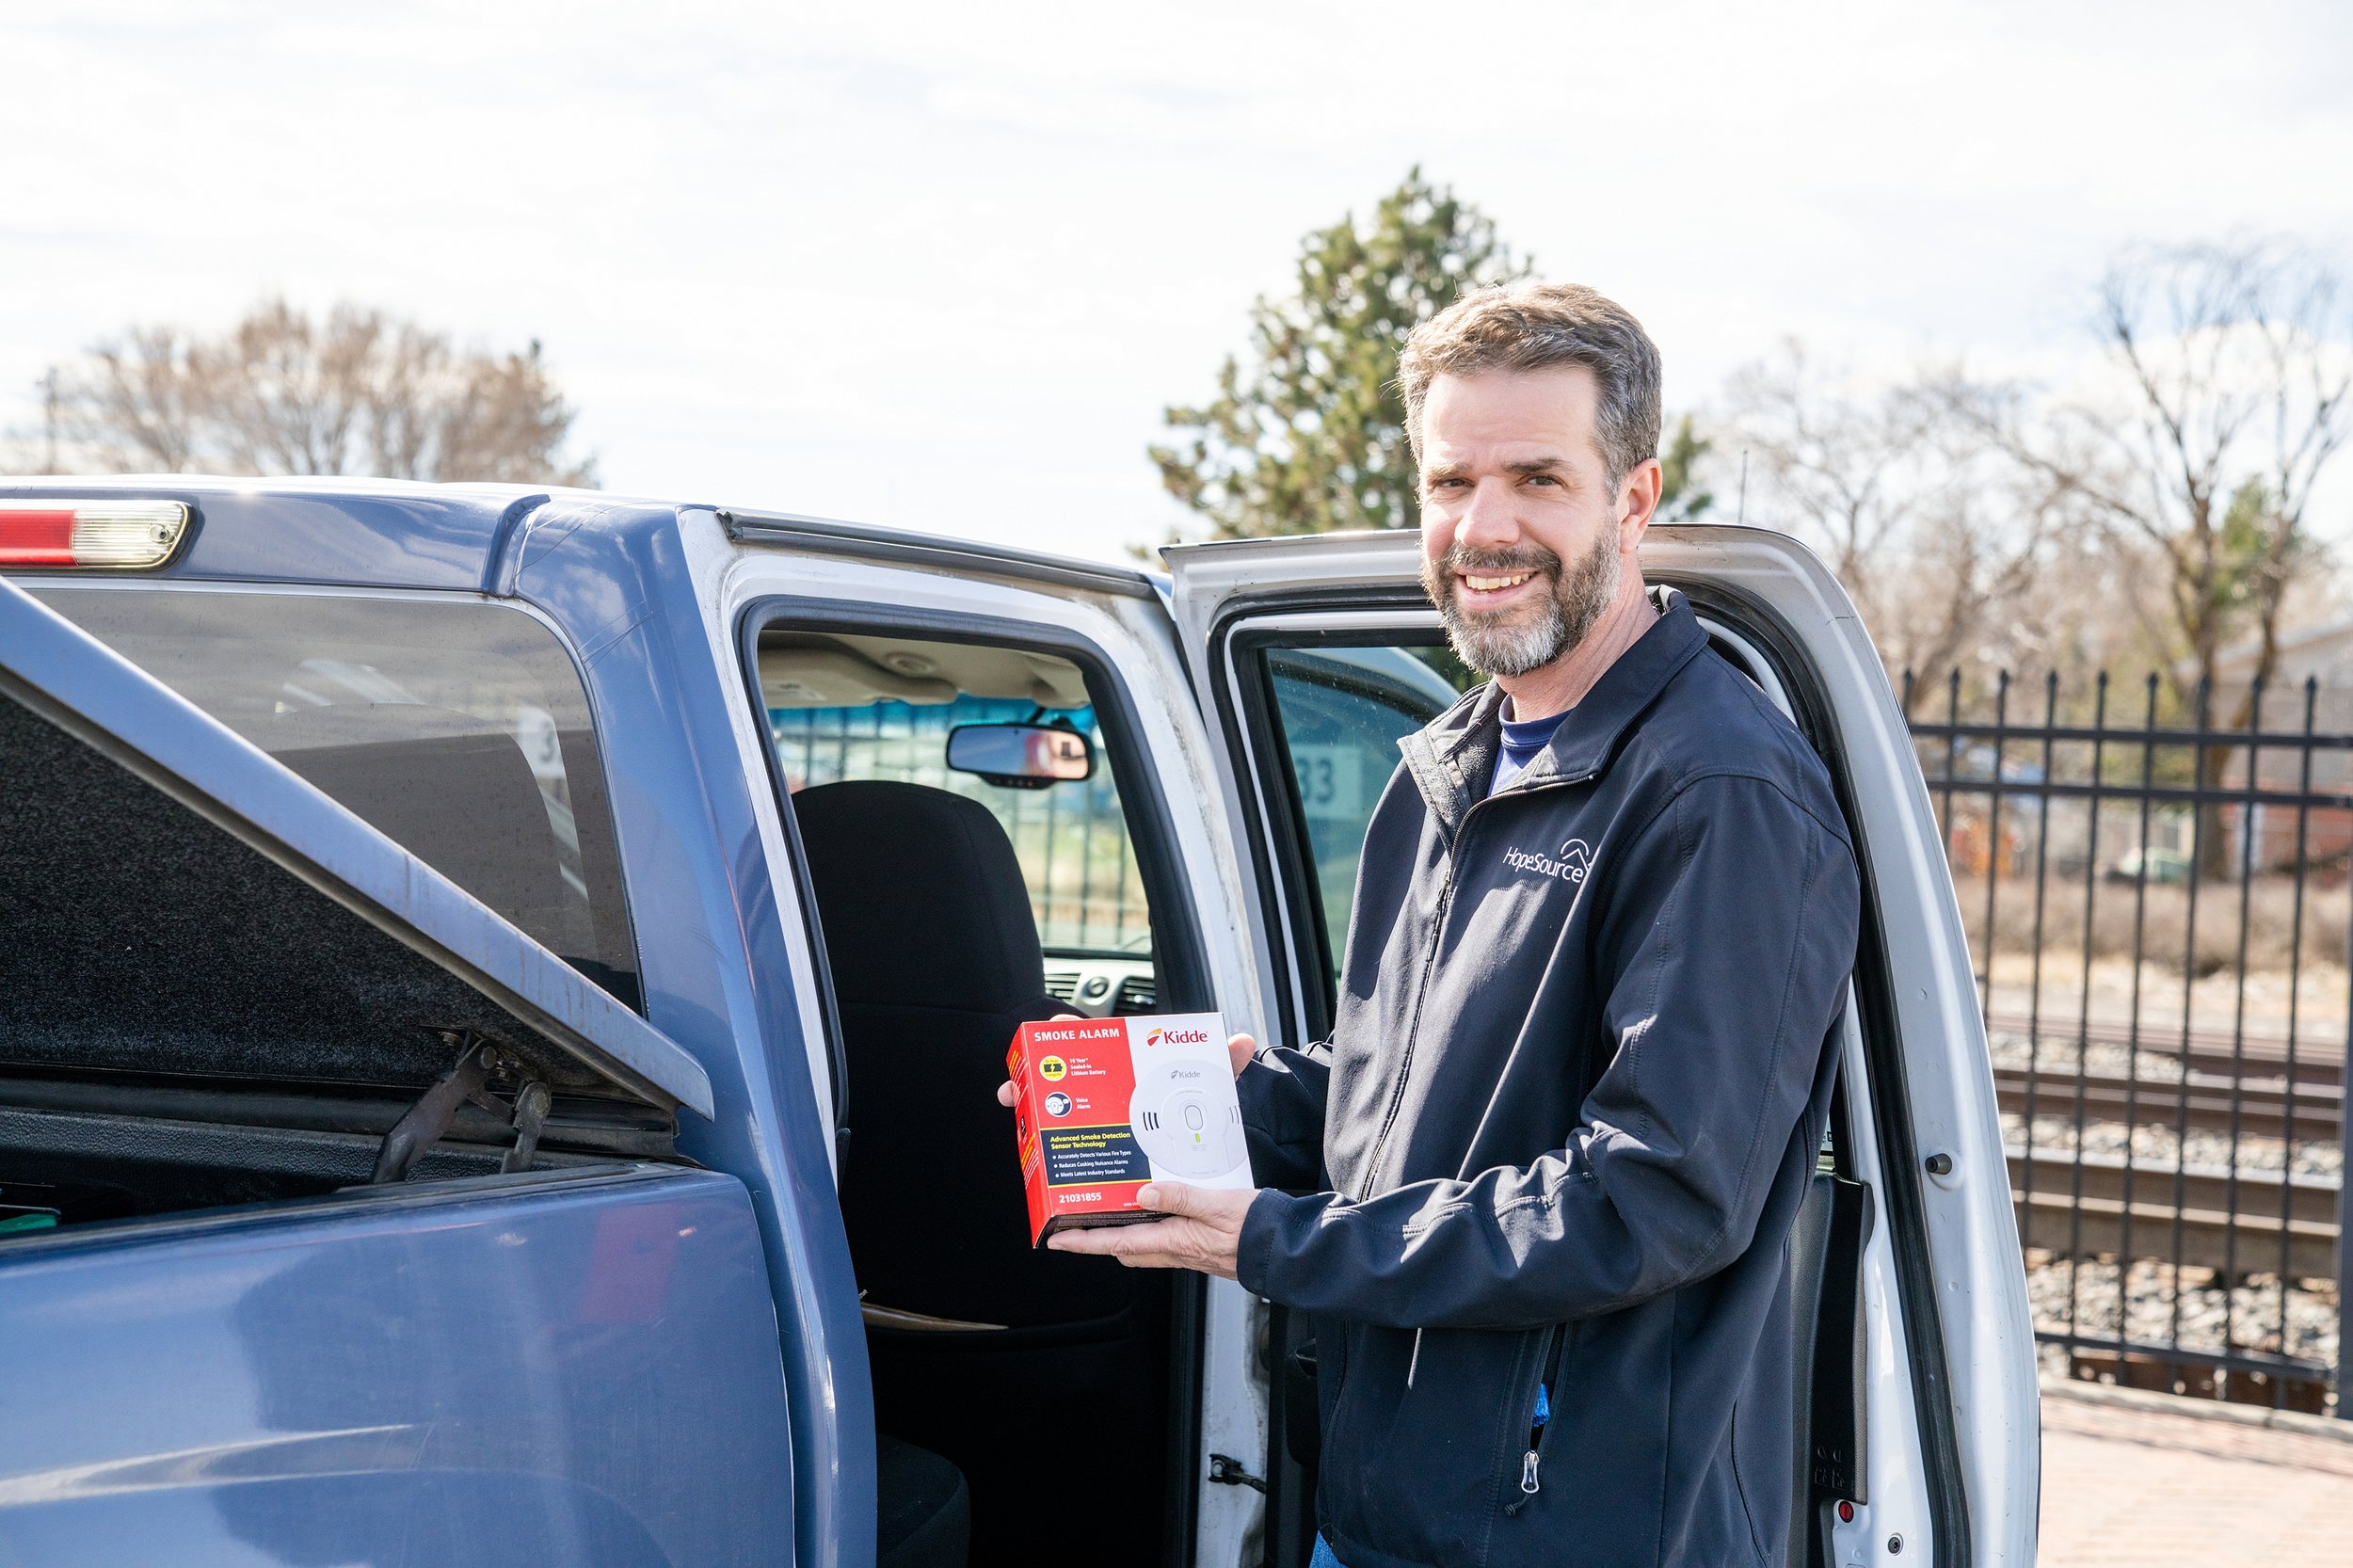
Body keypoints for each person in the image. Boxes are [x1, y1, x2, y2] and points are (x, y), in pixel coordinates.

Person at [1028, 282, 1862, 1568]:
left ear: (1634, 498)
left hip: (1565, 1536)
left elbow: (1651, 1198)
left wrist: (1279, 1243)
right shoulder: (1447, 769)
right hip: (1382, 1510)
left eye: (1538, 477)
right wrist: (1218, 1097)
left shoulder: (1720, 790)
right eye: (1451, 480)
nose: (1484, 526)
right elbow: (1410, 1089)